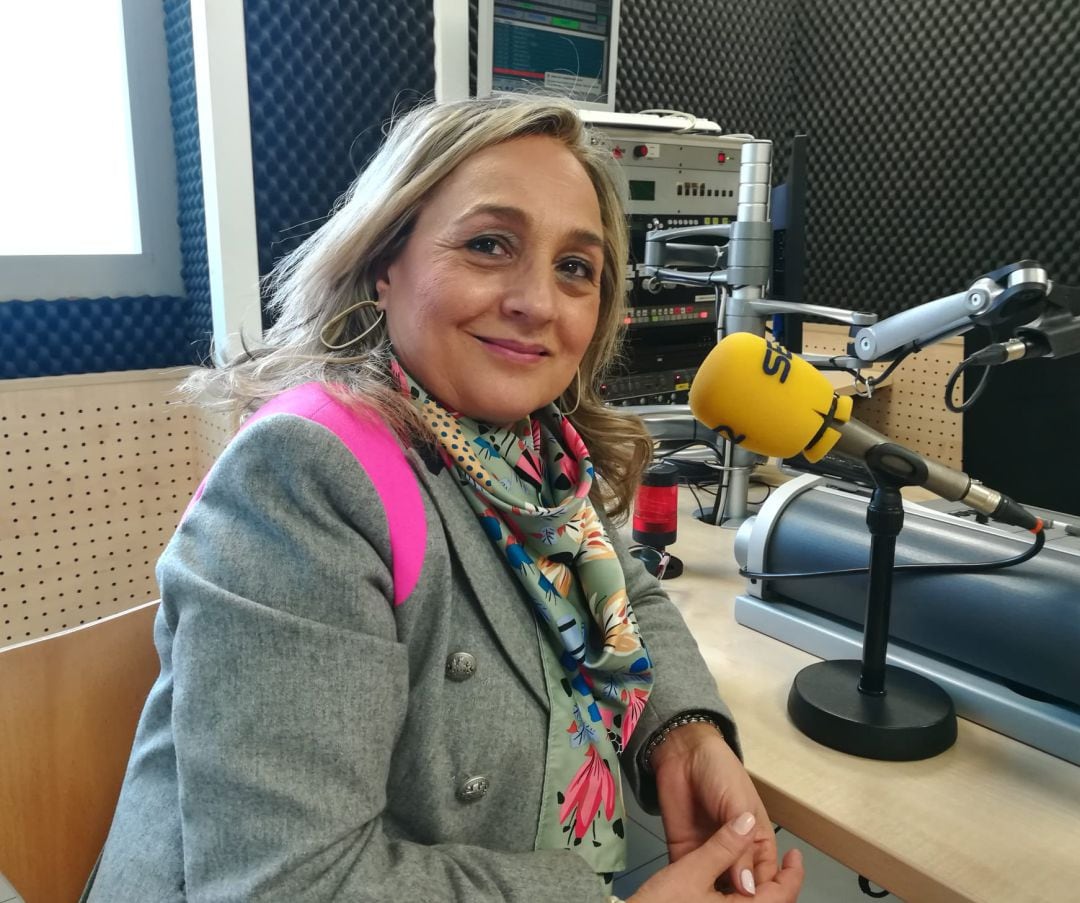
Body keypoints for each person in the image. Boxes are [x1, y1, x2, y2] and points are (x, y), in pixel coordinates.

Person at [83, 95, 803, 902]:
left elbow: (623, 589)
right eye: (490, 244)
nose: (538, 301)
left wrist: (685, 730)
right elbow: (285, 886)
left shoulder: (534, 449)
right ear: (385, 263)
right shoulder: (301, 475)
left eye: (576, 266)